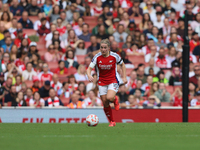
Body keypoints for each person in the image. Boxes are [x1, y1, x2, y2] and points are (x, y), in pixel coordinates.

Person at [86, 39, 127, 127]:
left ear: (108, 48)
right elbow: (89, 68)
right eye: (101, 47)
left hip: (113, 80)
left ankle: (115, 99)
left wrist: (124, 77)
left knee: (109, 97)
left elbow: (122, 65)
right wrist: (89, 75)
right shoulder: (97, 57)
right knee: (105, 102)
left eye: (105, 47)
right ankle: (112, 121)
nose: (103, 49)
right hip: (102, 82)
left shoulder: (115, 56)